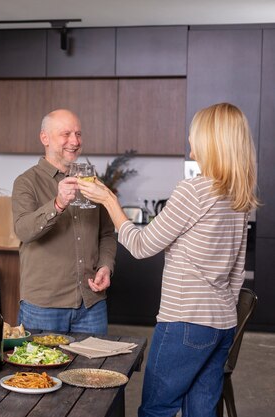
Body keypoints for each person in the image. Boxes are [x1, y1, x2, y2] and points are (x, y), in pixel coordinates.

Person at [78, 102, 259, 417]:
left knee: (156, 410)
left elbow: (141, 244)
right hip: (221, 325)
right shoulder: (238, 197)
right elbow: (236, 274)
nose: (190, 142)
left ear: (209, 141)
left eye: (193, 135)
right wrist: (219, 318)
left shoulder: (193, 191)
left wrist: (108, 199)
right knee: (200, 413)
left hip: (185, 322)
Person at [12, 108, 117, 335]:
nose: (74, 141)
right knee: (40, 371)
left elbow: (107, 234)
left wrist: (106, 266)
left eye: (78, 134)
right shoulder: (26, 182)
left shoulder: (92, 181)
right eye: (66, 134)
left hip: (91, 303)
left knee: (92, 371)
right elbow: (23, 231)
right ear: (45, 138)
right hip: (44, 307)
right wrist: (58, 204)